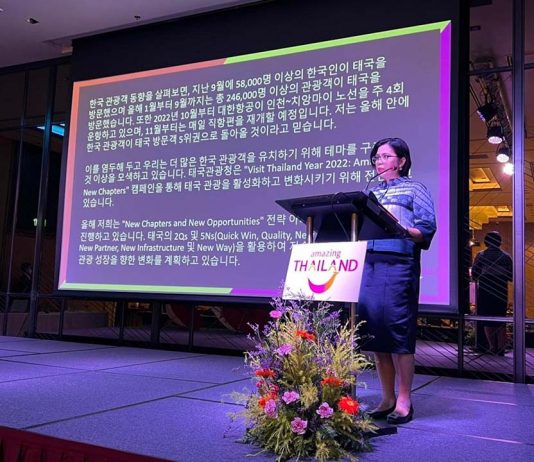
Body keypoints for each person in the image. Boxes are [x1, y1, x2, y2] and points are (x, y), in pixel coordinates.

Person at [358, 137, 436, 425]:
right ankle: (387, 397)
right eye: (376, 157)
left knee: (398, 331)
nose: (379, 162)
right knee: (375, 332)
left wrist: (402, 228)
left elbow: (426, 227)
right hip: (370, 264)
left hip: (399, 264)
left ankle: (404, 399)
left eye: (386, 156)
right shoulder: (371, 192)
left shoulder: (416, 188)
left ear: (402, 161)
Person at [471, 231, 513, 355]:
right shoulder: (506, 257)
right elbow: (510, 276)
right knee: (500, 319)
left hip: (485, 290)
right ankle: (501, 348)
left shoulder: (481, 256)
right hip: (501, 290)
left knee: (487, 319)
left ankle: (492, 347)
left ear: (486, 242)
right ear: (499, 242)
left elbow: (474, 274)